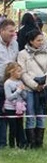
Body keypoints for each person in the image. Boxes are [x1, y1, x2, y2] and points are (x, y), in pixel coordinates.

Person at [17, 29, 47, 148]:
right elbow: (22, 72)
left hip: (43, 89)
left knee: (41, 115)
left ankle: (39, 142)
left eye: (42, 40)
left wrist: (44, 83)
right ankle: (31, 142)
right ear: (31, 41)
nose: (41, 42)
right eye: (38, 40)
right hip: (29, 89)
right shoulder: (22, 54)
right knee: (30, 114)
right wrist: (34, 85)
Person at [0, 18, 19, 147]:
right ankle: (2, 143)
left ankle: (12, 142)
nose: (13, 34)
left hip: (12, 84)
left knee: (11, 113)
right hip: (0, 83)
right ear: (2, 31)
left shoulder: (15, 44)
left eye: (14, 31)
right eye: (10, 31)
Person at [2, 62, 27, 148]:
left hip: (19, 108)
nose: (20, 73)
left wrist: (23, 91)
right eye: (18, 71)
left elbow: (24, 96)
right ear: (11, 72)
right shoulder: (7, 83)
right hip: (10, 108)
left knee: (20, 126)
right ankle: (12, 145)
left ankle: (21, 144)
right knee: (13, 127)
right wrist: (18, 91)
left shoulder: (20, 82)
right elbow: (9, 97)